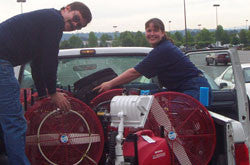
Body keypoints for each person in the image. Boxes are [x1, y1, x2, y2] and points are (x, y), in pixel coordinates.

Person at [0, 1, 92, 164]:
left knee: (7, 120)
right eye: (76, 18)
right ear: (67, 9)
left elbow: (37, 65)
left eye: (78, 26)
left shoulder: (43, 25)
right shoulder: (54, 19)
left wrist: (43, 94)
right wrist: (53, 93)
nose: (74, 24)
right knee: (15, 122)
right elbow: (50, 60)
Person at [94, 18, 211, 102]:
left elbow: (134, 72)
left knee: (175, 119)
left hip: (195, 89)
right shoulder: (162, 48)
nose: (152, 34)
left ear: (163, 33)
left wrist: (110, 83)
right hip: (184, 88)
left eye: (155, 30)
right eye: (149, 31)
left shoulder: (163, 50)